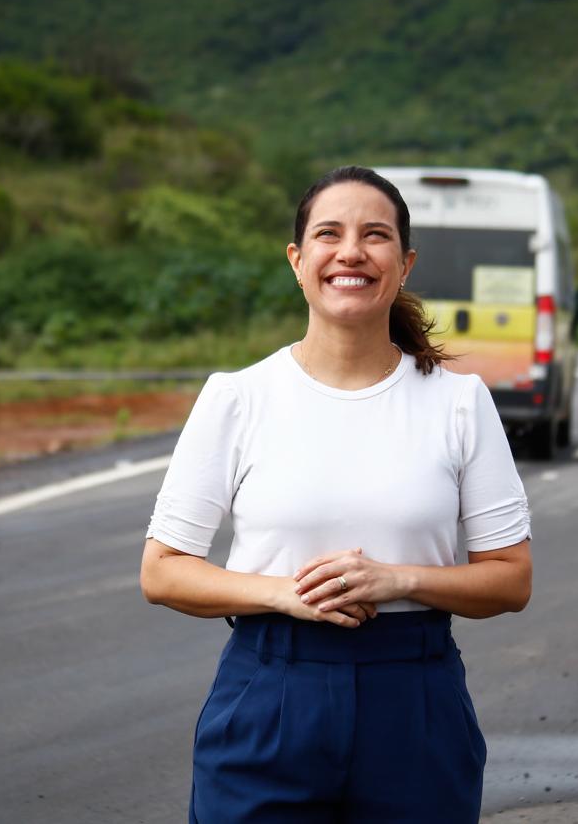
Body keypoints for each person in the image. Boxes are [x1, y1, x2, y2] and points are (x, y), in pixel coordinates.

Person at [139, 165, 532, 823]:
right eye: (329, 233)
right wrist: (282, 594)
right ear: (298, 260)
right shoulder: (237, 397)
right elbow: (163, 570)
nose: (351, 251)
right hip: (268, 691)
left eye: (374, 235)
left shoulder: (460, 402)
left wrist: (395, 579)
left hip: (415, 701)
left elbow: (511, 579)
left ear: (404, 264)